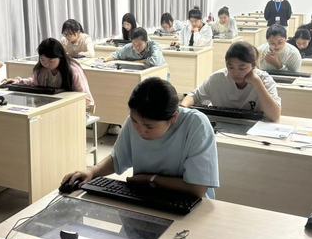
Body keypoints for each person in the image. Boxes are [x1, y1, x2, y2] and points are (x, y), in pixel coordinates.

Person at [61, 78, 219, 198]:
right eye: (134, 121)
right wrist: (92, 171)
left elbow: (197, 188)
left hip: (188, 204)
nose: (140, 130)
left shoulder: (196, 125)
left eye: (149, 126)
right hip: (145, 197)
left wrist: (151, 180)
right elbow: (118, 159)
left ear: (174, 118)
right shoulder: (136, 120)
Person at [180, 42, 281, 121]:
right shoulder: (217, 78)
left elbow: (275, 116)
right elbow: (194, 96)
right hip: (223, 125)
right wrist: (182, 108)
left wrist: (257, 84)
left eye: (242, 68)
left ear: (253, 66)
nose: (235, 73)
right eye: (230, 67)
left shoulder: (264, 79)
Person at [3, 38, 94, 107]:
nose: (46, 64)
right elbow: (34, 83)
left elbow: (85, 98)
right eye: (42, 60)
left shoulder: (73, 71)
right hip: (49, 108)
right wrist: (18, 81)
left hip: (72, 109)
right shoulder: (41, 70)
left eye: (51, 60)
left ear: (60, 57)